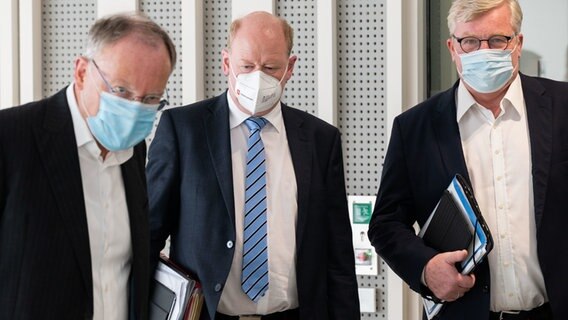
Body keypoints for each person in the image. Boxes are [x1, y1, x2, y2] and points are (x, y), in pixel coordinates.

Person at [146, 11, 360, 320]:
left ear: (290, 68)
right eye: (246, 66)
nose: (257, 77)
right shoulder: (183, 130)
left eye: (271, 67)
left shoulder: (320, 140)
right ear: (226, 63)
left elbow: (337, 252)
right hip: (208, 314)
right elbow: (149, 235)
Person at [368, 0, 567, 319]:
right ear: (452, 47)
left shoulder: (562, 108)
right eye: (470, 41)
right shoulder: (414, 128)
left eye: (497, 40)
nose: (483, 52)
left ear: (518, 43)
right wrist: (425, 268)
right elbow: (386, 223)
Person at [0, 13, 176, 320]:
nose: (135, 109)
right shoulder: (11, 138)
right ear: (82, 72)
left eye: (150, 98)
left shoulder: (134, 149)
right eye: (121, 90)